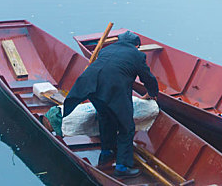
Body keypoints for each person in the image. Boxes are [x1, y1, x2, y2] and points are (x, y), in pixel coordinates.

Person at [63, 31, 159, 179]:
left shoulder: (106, 49)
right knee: (126, 127)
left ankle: (106, 153)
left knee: (105, 117)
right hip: (112, 88)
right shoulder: (137, 55)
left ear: (118, 41)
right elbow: (148, 78)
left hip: (90, 86)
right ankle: (122, 168)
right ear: (137, 45)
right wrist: (152, 92)